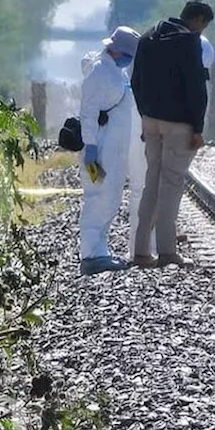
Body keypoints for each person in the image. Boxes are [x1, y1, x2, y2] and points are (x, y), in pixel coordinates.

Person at [129, 0, 212, 267]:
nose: (202, 30)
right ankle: (167, 251)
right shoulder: (189, 43)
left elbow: (136, 81)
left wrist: (144, 117)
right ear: (197, 19)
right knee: (171, 184)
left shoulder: (148, 37)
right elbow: (197, 90)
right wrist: (198, 128)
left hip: (151, 120)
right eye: (204, 24)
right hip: (179, 125)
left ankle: (141, 250)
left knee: (152, 180)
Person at [77, 26, 139, 276]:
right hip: (101, 147)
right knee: (100, 198)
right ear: (118, 50)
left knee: (110, 197)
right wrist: (90, 144)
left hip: (112, 146)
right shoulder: (100, 70)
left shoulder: (114, 69)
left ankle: (99, 249)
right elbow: (88, 111)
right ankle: (92, 254)